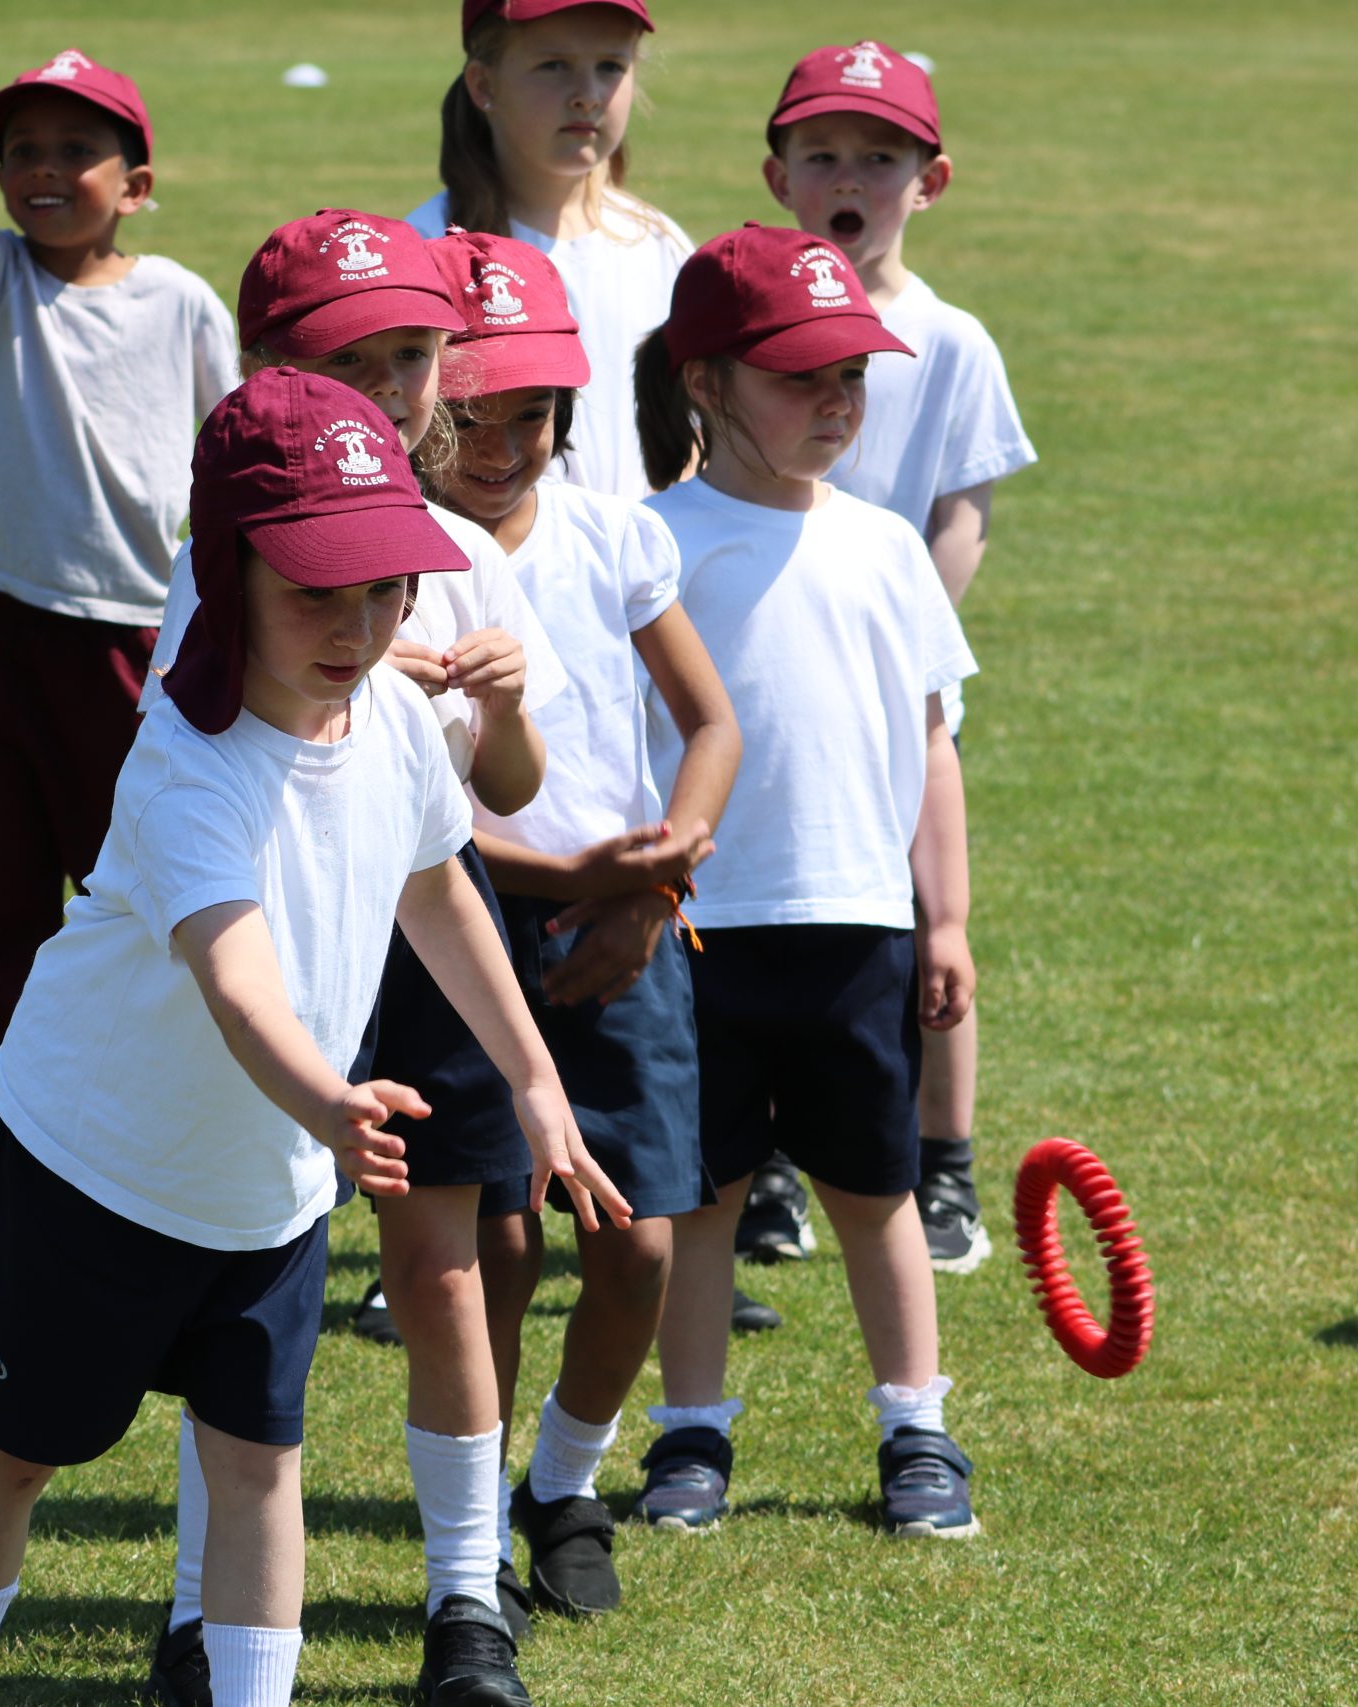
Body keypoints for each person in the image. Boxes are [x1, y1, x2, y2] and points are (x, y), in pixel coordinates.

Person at [0, 367, 624, 1707]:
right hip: (90, 1166)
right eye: (313, 591)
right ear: (226, 575)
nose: (356, 626)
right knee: (15, 1454)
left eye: (384, 589)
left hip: (263, 1195)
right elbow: (238, 987)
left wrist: (534, 1081)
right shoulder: (187, 763)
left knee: (256, 1468)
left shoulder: (397, 718)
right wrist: (328, 1101)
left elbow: (437, 893)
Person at [140, 210, 590, 1707]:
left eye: (415, 355)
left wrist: (501, 700)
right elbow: (193, 719)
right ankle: (201, 1615)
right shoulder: (233, 543)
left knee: (442, 1273)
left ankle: (467, 1598)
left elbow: (499, 798)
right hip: (275, 951)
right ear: (268, 367)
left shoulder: (462, 551)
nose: (395, 390)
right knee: (239, 1295)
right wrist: (360, 651)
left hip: (426, 944)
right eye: (355, 362)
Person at [634, 226, 983, 1538]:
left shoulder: (888, 547)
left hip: (857, 925)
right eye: (799, 377)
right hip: (697, 928)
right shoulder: (651, 542)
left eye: (852, 376)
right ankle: (691, 1432)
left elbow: (931, 743)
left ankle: (916, 1428)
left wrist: (945, 917)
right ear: (706, 381)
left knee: (874, 1190)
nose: (837, 401)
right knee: (702, 1197)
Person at [417, 229, 740, 1624]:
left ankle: (562, 1483)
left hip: (629, 935)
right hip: (463, 930)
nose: (500, 446)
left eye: (531, 413)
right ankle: (474, 1525)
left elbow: (711, 726)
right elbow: (420, 815)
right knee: (495, 1250)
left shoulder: (617, 534)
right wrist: (570, 881)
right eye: (468, 414)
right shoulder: (396, 563)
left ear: (572, 403)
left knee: (639, 1244)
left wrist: (656, 886)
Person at [0, 49, 239, 1215]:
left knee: (137, 891)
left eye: (75, 151)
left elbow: (229, 449)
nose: (44, 170)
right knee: (0, 895)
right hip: (2, 633)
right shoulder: (7, 287)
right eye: (21, 152)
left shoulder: (178, 301)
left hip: (130, 640)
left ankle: (177, 1112)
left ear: (136, 185)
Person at [750, 40, 1039, 1273]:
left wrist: (900, 639)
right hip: (762, 679)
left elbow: (961, 514)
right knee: (768, 917)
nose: (848, 178)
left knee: (926, 923)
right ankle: (764, 1164)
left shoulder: (950, 341)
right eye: (821, 155)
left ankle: (943, 1166)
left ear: (932, 181)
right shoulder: (743, 323)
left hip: (899, 688)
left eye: (879, 157)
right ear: (778, 177)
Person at [403, 0, 691, 503]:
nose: (587, 95)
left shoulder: (659, 243)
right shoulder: (424, 251)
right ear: (483, 84)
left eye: (611, 66)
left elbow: (696, 426)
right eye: (554, 65)